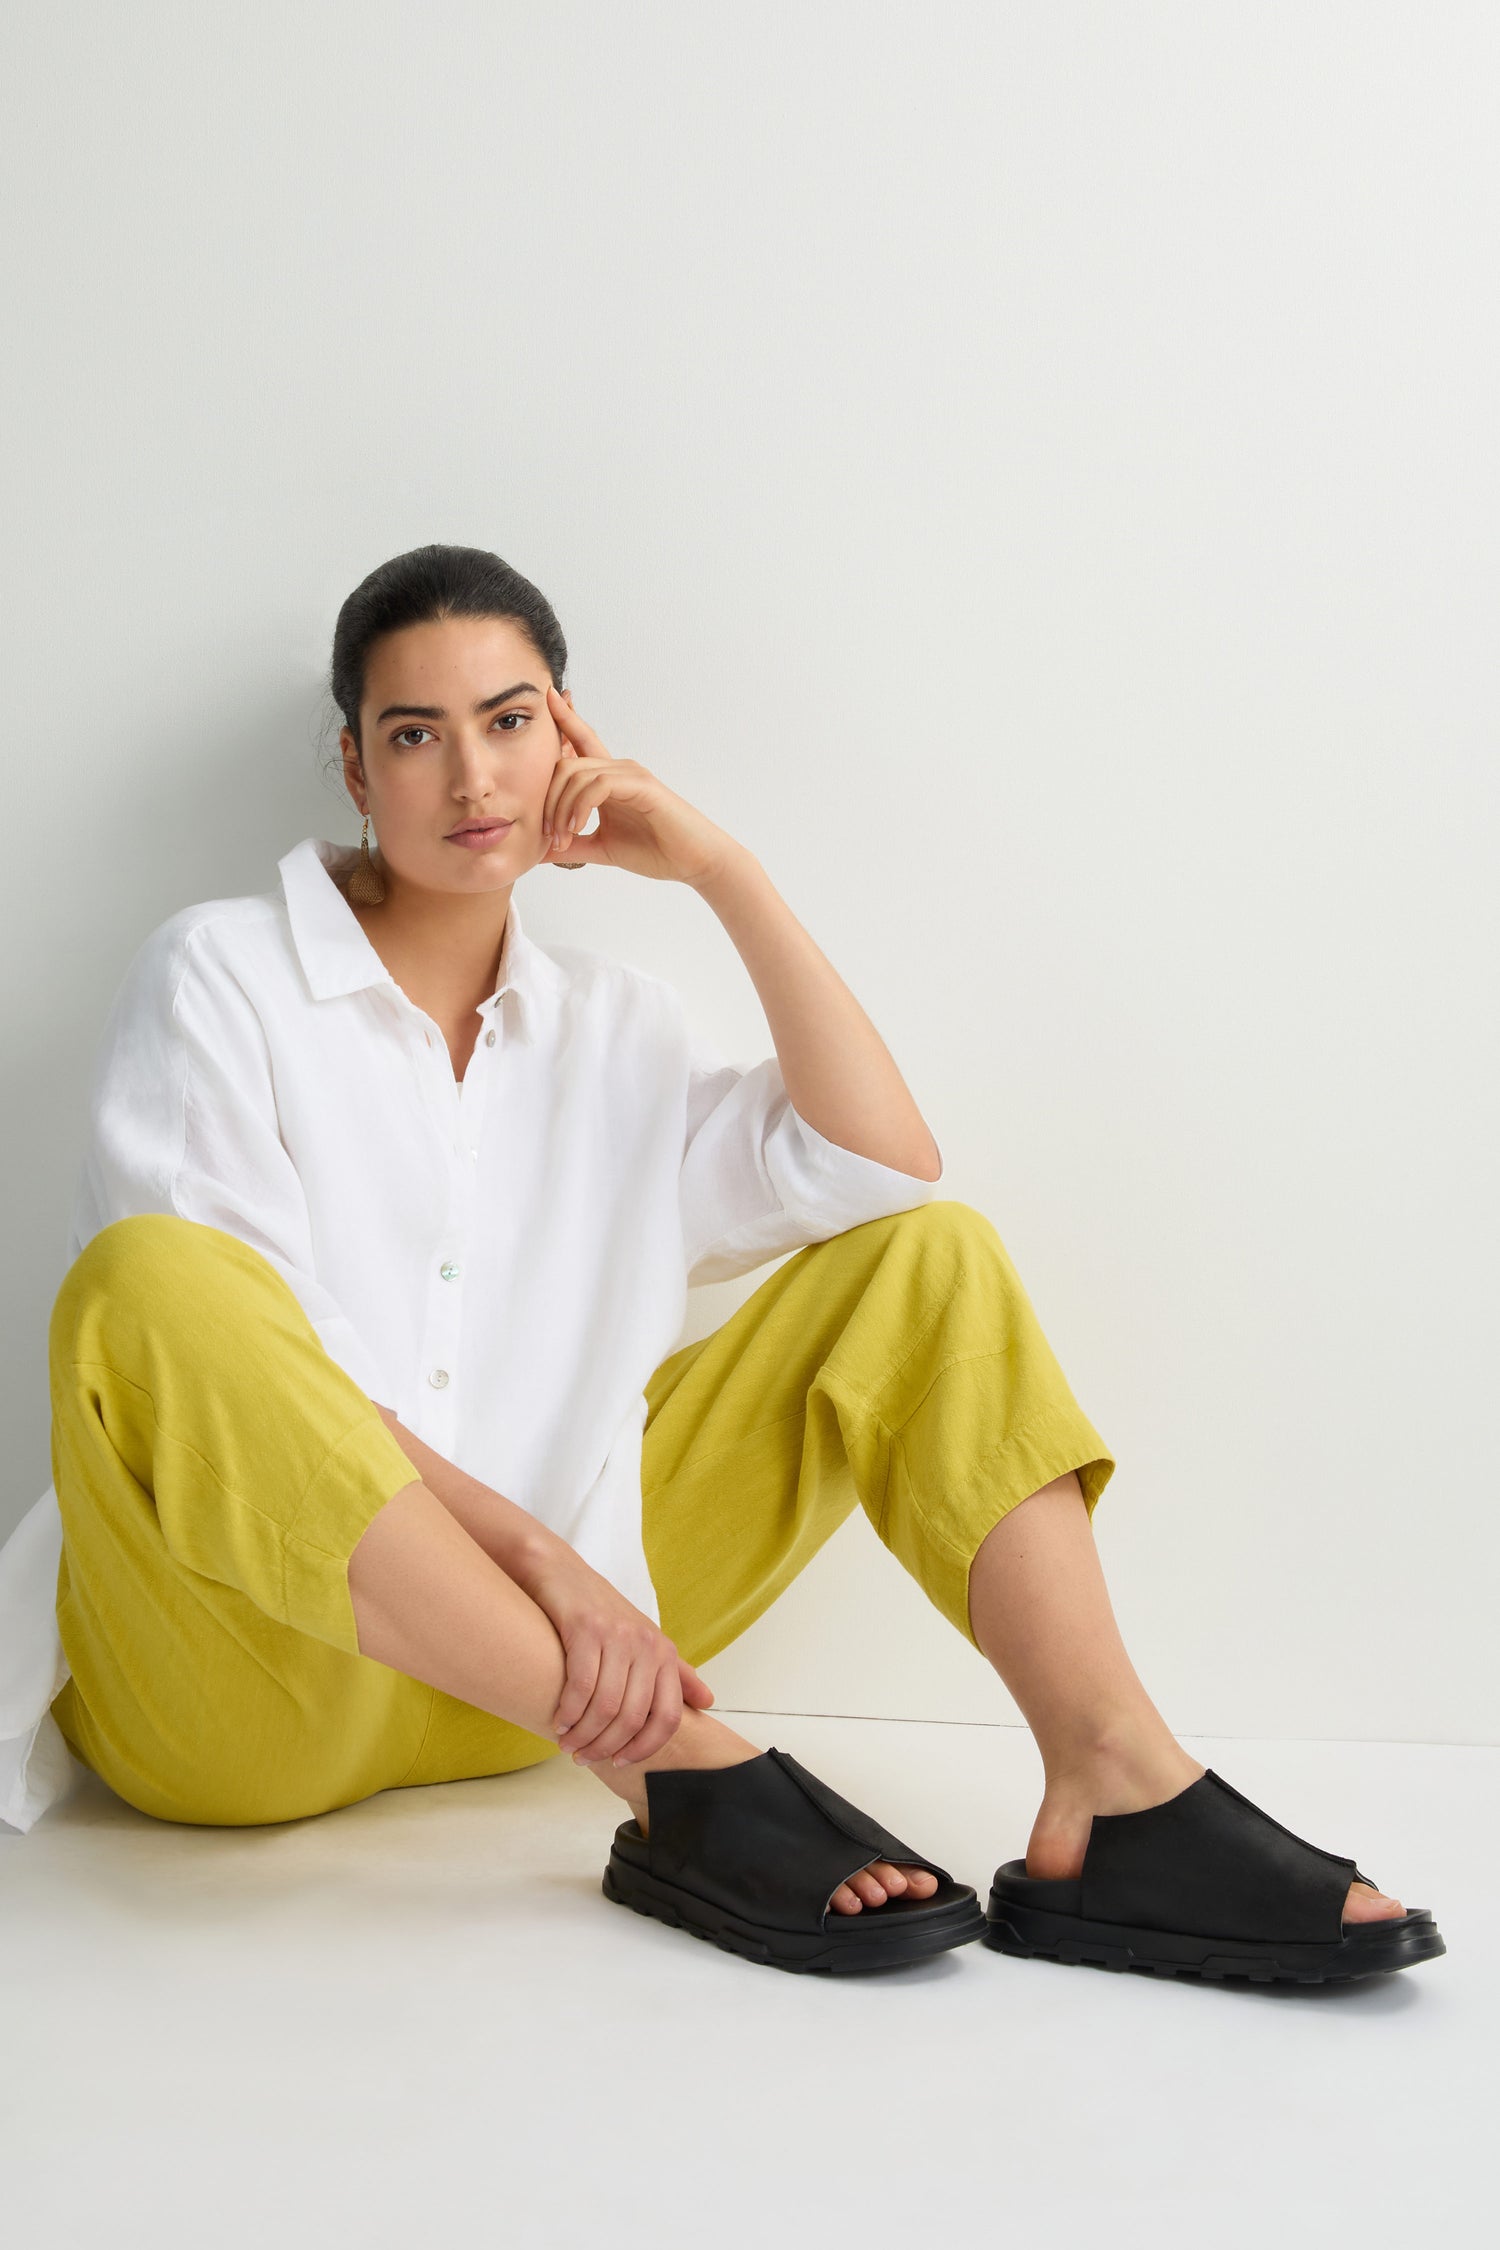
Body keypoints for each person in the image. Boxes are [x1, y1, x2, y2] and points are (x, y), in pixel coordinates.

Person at [7, 544, 1443, 1982]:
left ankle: (1117, 1790)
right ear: (353, 767)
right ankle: (683, 1776)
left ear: (569, 733)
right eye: (413, 735)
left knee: (924, 1258)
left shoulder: (616, 1029)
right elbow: (254, 1385)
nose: (471, 777)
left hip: (544, 1679)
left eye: (509, 721)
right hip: (255, 1686)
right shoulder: (221, 974)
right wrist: (548, 1567)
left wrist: (716, 868)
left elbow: (882, 1166)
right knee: (152, 1284)